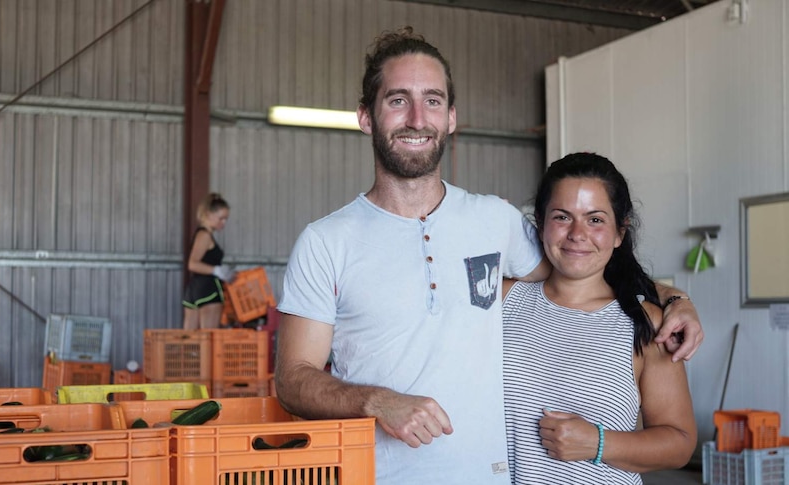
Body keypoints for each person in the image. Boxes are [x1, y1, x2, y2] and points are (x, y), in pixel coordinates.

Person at [275, 26, 703, 485]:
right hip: (376, 475)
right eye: (398, 100)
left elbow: (581, 266)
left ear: (452, 117)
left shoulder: (494, 222)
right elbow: (293, 379)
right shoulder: (325, 242)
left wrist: (672, 299)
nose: (418, 117)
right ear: (365, 116)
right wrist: (378, 401)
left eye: (433, 100)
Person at [502, 152, 697, 484]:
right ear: (541, 223)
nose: (578, 233)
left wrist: (598, 443)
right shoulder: (503, 301)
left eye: (595, 220)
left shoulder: (647, 324)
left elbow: (679, 443)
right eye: (562, 217)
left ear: (619, 233)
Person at [181, 193, 235, 330]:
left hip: (194, 290)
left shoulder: (202, 234)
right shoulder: (204, 235)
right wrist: (216, 270)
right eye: (221, 218)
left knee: (190, 342)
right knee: (208, 338)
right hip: (208, 290)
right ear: (208, 214)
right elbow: (192, 264)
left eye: (226, 219)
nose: (224, 223)